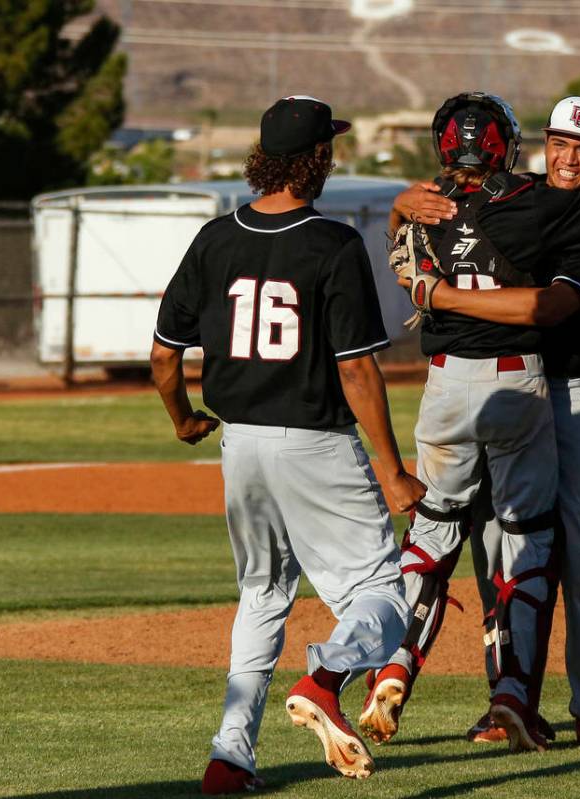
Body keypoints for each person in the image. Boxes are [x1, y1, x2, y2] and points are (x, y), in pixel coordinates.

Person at [359, 91, 580, 754]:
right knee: (515, 548)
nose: (569, 156)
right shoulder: (529, 198)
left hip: (540, 387)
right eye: (561, 143)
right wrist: (408, 203)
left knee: (528, 540)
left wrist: (418, 245)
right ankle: (511, 695)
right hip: (521, 386)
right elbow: (449, 219)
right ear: (532, 144)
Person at [150, 95, 425, 793]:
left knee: (262, 595)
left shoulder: (216, 237)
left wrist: (183, 417)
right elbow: (357, 366)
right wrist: (393, 470)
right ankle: (328, 677)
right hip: (315, 446)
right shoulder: (331, 243)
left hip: (237, 444)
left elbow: (162, 355)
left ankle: (229, 754)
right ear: (317, 161)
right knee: (385, 595)